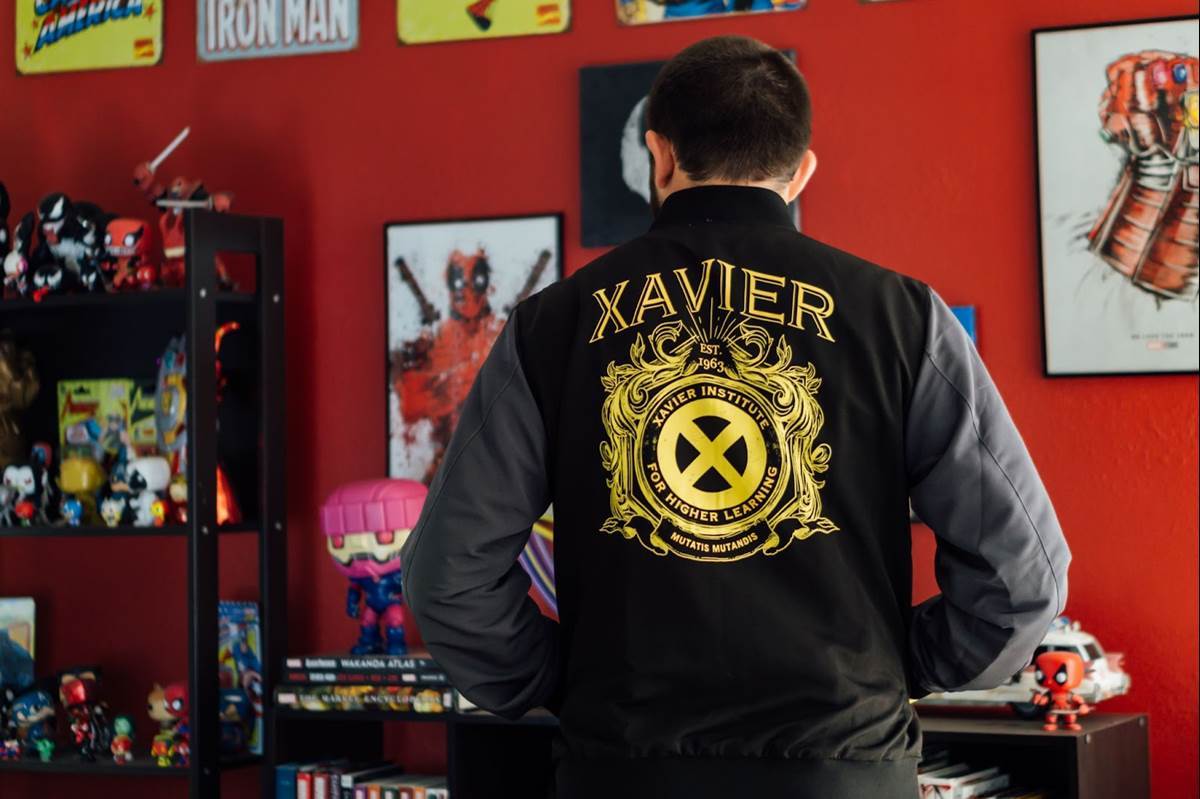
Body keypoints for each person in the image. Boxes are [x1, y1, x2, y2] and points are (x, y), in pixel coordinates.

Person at [401, 35, 1071, 799]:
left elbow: (447, 580)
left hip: (621, 772)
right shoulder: (902, 317)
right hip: (842, 770)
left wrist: (557, 677)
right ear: (802, 171)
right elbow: (1023, 579)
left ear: (659, 156)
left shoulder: (551, 325)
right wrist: (901, 663)